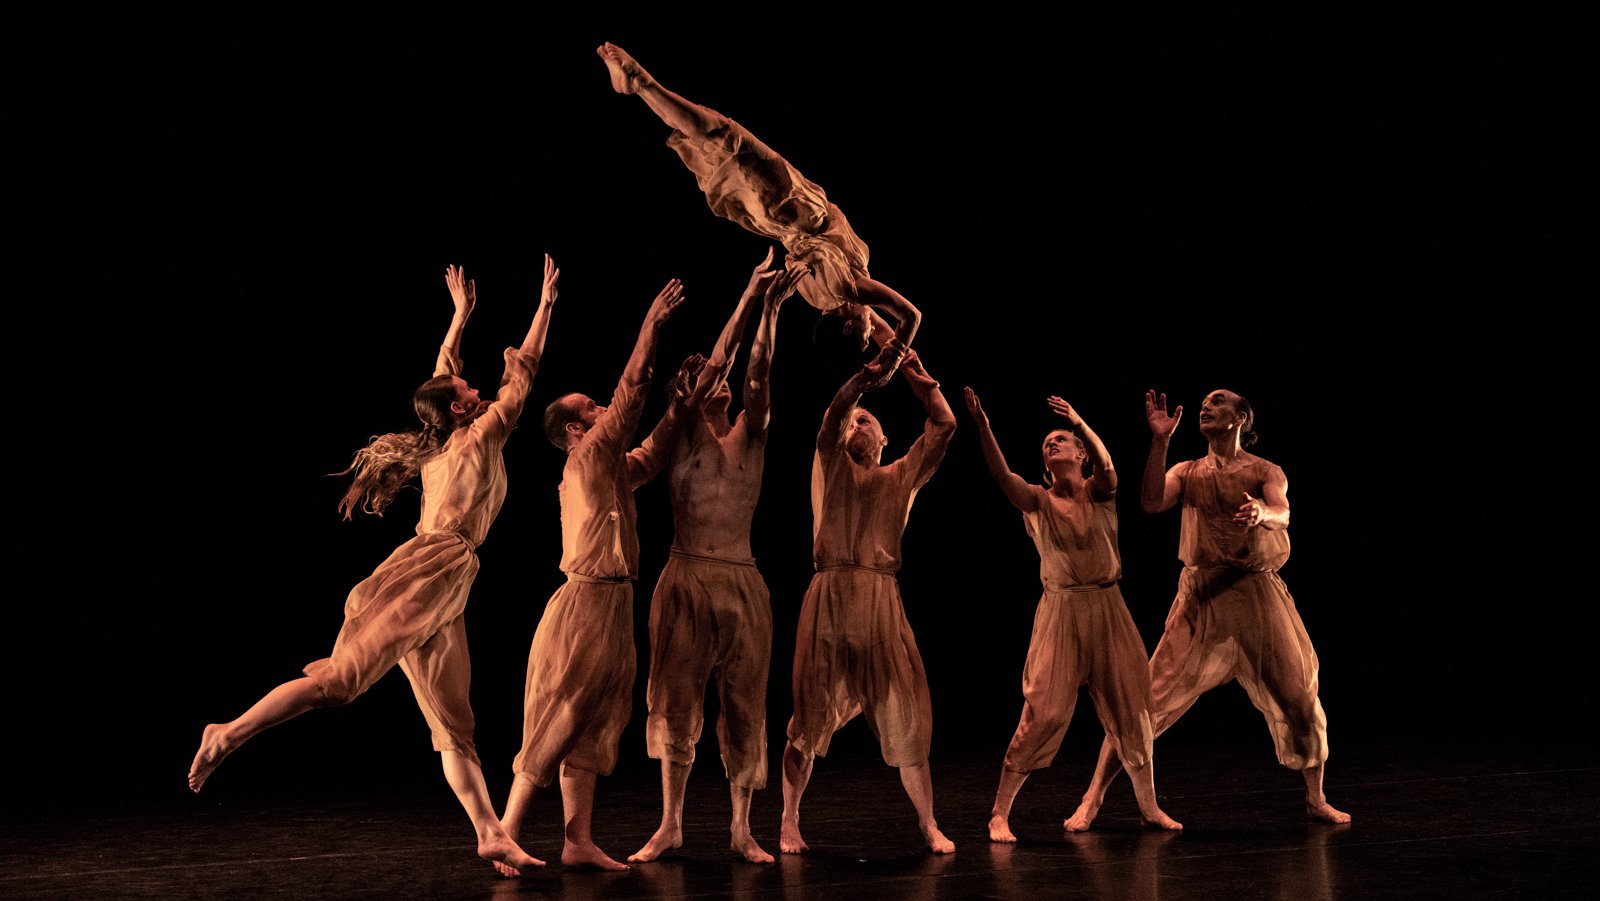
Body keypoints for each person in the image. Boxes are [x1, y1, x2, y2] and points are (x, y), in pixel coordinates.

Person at [187, 258, 561, 874]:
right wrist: (545, 305)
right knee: (339, 681)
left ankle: (490, 833)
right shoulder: (484, 433)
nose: (478, 390)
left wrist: (460, 316)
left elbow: (445, 371)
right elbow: (524, 370)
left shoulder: (449, 438)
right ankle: (226, 731)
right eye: (471, 393)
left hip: (448, 582)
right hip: (429, 570)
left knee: (454, 725)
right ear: (465, 411)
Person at [1067, 389, 1351, 828]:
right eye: (1204, 401)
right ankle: (1092, 799)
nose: (1206, 405)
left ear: (1240, 417)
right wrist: (1160, 441)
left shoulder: (1264, 470)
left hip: (1255, 592)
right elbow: (1151, 501)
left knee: (1298, 695)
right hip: (1201, 595)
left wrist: (1262, 514)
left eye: (1218, 401)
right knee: (1143, 701)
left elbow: (1284, 512)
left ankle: (1316, 797)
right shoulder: (1188, 470)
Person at [495, 276, 697, 874]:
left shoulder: (608, 468)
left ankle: (576, 839)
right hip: (584, 603)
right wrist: (651, 326)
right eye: (592, 409)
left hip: (611, 605)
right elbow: (632, 390)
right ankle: (505, 829)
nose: (602, 410)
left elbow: (654, 453)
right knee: (563, 711)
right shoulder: (586, 459)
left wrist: (682, 405)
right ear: (576, 432)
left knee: (597, 720)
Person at [629, 251, 800, 865]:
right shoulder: (680, 431)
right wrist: (749, 293)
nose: (714, 376)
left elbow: (756, 371)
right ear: (688, 387)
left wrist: (769, 310)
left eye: (712, 371)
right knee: (675, 699)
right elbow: (723, 363)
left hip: (742, 580)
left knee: (745, 705)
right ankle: (671, 822)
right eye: (699, 372)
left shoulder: (751, 431)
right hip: (685, 576)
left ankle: (739, 828)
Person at [596, 41, 919, 365]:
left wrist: (894, 357)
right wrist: (895, 359)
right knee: (717, 142)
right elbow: (878, 325)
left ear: (849, 327)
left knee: (726, 135)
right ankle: (639, 85)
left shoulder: (853, 289)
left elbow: (910, 315)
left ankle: (639, 82)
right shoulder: (822, 299)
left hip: (794, 208)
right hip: (774, 221)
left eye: (866, 336)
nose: (873, 326)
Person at [963, 390, 1182, 841]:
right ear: (1045, 466)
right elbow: (1003, 476)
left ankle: (1148, 806)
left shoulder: (1099, 492)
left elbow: (1108, 467)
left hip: (1108, 607)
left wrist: (1079, 422)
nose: (1052, 444)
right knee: (1043, 712)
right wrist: (983, 425)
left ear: (1080, 452)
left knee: (1133, 707)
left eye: (1060, 439)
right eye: (1047, 443)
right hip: (1061, 610)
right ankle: (999, 813)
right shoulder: (1038, 500)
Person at [779, 344, 957, 855]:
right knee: (808, 715)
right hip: (829, 594)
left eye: (867, 420)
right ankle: (790, 820)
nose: (856, 425)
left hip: (880, 597)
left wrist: (917, 377)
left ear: (884, 438)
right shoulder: (830, 463)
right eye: (852, 421)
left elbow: (943, 426)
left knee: (908, 709)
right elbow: (833, 415)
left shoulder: (900, 475)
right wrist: (863, 380)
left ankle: (927, 823)